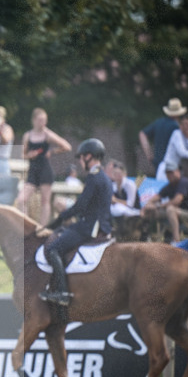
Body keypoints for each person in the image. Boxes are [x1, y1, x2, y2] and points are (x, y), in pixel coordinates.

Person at [39, 138, 114, 307]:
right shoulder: (103, 176)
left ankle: (62, 292)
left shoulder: (94, 177)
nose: (80, 162)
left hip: (90, 227)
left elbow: (81, 205)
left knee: (53, 249)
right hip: (99, 224)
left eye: (81, 157)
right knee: (63, 234)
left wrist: (60, 218)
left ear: (89, 156)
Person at [14, 108, 72, 224]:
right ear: (34, 120)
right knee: (21, 199)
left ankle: (42, 228)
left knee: (45, 202)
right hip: (33, 170)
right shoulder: (28, 135)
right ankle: (26, 226)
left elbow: (67, 146)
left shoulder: (47, 134)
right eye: (40, 120)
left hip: (45, 170)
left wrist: (52, 151)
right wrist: (29, 155)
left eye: (44, 120)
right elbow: (23, 154)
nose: (43, 123)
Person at [141, 161, 188, 243]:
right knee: (151, 211)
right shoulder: (170, 186)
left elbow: (177, 201)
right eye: (167, 173)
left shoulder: (184, 182)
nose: (169, 175)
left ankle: (176, 241)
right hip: (178, 215)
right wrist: (147, 205)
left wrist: (158, 206)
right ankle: (146, 237)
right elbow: (156, 197)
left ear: (178, 171)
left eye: (171, 172)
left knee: (170, 209)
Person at [140, 97, 185, 176]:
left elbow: (142, 134)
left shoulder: (159, 122)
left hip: (158, 163)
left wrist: (149, 154)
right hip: (173, 166)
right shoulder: (177, 127)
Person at [160, 114, 188, 181]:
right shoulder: (176, 134)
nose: (187, 126)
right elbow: (182, 153)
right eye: (184, 124)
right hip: (167, 168)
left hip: (178, 170)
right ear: (180, 126)